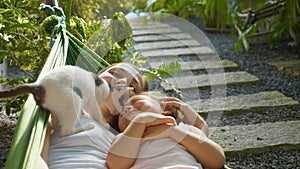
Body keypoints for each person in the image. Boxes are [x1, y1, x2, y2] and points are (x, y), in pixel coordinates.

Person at [38, 63, 149, 169]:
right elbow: (36, 152)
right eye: (115, 74)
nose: (119, 82)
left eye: (132, 86)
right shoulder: (65, 111)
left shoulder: (126, 138)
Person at [106, 92, 225, 169]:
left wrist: (171, 131)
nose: (126, 108)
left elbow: (216, 160)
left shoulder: (183, 129)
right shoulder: (124, 138)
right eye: (121, 115)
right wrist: (140, 121)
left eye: (136, 103)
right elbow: (116, 165)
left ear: (165, 110)